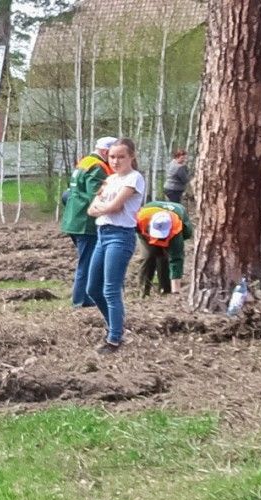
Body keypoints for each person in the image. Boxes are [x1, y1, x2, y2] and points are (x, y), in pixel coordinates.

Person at [87, 137, 145, 353]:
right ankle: (116, 325)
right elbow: (92, 209)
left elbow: (115, 206)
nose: (116, 161)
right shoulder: (110, 180)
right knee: (93, 288)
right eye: (112, 157)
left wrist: (105, 207)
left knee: (111, 289)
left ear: (131, 157)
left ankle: (114, 339)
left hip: (121, 236)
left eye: (121, 157)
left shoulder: (134, 178)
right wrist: (105, 207)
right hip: (103, 234)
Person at [61, 135, 116, 308]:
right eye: (113, 154)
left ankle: (84, 298)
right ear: (106, 151)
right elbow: (96, 194)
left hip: (73, 219)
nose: (114, 159)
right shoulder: (98, 167)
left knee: (86, 261)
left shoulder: (85, 162)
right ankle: (81, 300)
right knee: (87, 263)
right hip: (86, 222)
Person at [136, 200, 188, 297]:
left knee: (165, 256)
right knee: (148, 256)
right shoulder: (140, 218)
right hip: (145, 230)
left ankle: (166, 290)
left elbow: (176, 259)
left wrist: (176, 292)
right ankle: (143, 291)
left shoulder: (177, 229)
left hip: (177, 217)